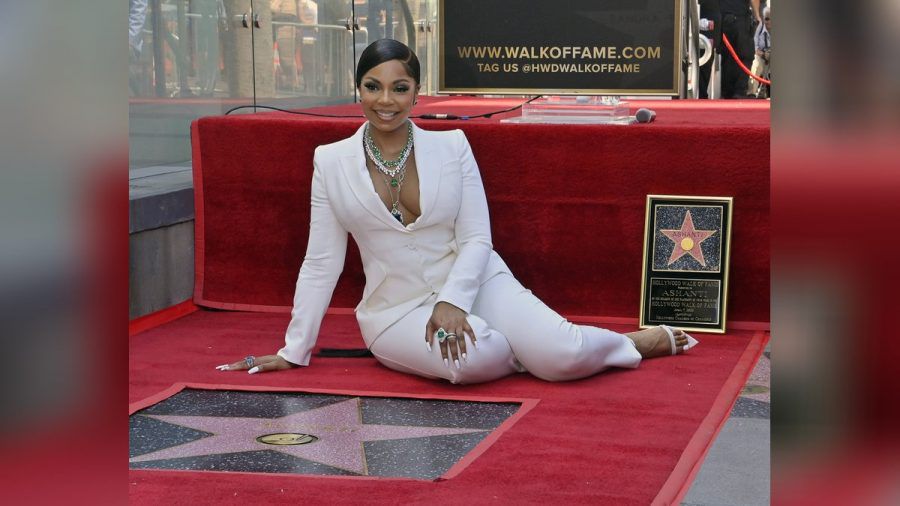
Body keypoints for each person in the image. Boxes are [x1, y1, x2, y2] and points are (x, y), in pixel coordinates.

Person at [216, 39, 698, 384]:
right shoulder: (330, 161)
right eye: (373, 86)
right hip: (396, 310)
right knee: (468, 361)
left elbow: (476, 240)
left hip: (476, 280)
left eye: (399, 87)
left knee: (565, 357)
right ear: (358, 88)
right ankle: (531, 350)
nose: (386, 100)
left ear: (417, 92)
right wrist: (293, 349)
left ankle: (630, 343)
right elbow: (322, 261)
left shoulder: (453, 147)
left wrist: (453, 301)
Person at [720, 0, 761, 98]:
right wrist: (757, 16)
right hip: (740, 18)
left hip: (724, 18)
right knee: (746, 55)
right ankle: (739, 91)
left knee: (728, 56)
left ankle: (728, 91)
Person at [749, 5, 771, 98]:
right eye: (766, 18)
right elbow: (754, 44)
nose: (769, 21)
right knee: (756, 65)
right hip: (761, 54)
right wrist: (760, 53)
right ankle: (751, 93)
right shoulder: (760, 27)